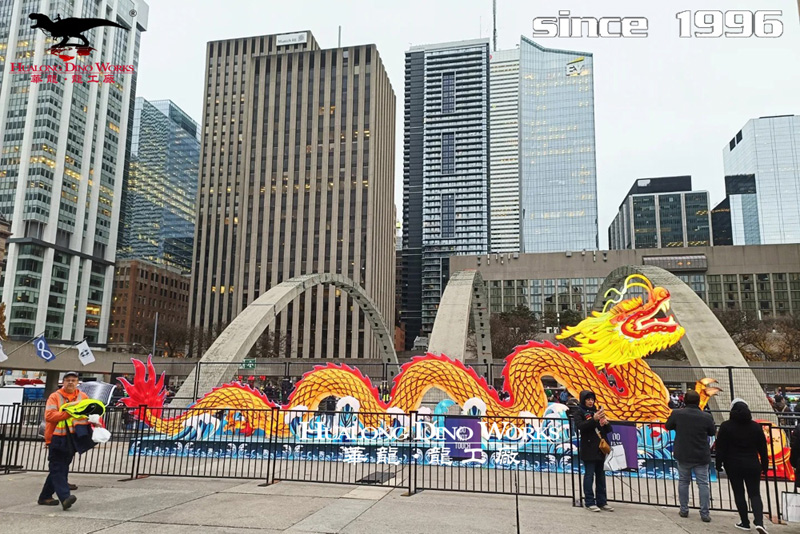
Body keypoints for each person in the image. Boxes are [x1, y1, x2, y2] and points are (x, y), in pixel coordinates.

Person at [716, 399, 769, 533]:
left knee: (739, 492)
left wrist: (718, 463)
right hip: (752, 463)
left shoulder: (726, 426)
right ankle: (759, 521)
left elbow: (720, 447)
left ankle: (744, 522)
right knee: (755, 493)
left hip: (733, 463)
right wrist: (765, 465)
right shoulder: (755, 427)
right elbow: (763, 448)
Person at [38, 371, 89, 510]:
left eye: (73, 380)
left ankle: (45, 496)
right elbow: (49, 416)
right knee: (58, 467)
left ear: (77, 382)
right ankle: (65, 497)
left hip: (72, 438)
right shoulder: (55, 396)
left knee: (60, 467)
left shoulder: (83, 396)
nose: (70, 382)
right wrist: (70, 412)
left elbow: (87, 414)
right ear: (63, 382)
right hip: (56, 438)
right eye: (68, 380)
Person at [665, 390, 715, 523]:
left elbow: (668, 426)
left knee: (683, 482)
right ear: (698, 401)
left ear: (684, 401)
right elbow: (712, 432)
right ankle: (705, 513)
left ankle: (684, 509)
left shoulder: (677, 414)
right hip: (701, 454)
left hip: (683, 453)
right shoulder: (706, 416)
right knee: (703, 484)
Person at [574, 390, 614, 512]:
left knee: (601, 476)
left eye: (592, 399)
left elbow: (608, 430)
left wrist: (605, 423)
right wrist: (593, 419)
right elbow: (580, 426)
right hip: (588, 447)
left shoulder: (597, 411)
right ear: (583, 400)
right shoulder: (579, 411)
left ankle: (602, 501)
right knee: (589, 475)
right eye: (588, 399)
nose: (590, 402)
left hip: (600, 448)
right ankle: (589, 501)